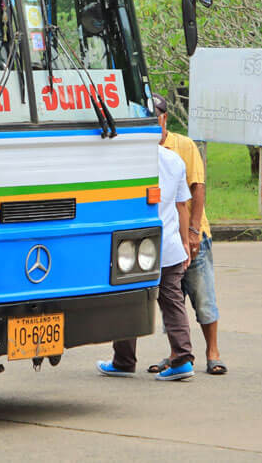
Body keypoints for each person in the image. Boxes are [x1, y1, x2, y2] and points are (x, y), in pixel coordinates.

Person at [96, 144, 196, 381]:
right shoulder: (174, 160)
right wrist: (184, 242)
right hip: (168, 244)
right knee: (172, 302)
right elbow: (181, 206)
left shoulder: (125, 157)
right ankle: (182, 358)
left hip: (133, 247)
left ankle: (123, 361)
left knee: (127, 300)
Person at [148, 93, 227, 376]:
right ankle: (177, 354)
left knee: (202, 296)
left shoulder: (183, 145)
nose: (151, 121)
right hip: (160, 238)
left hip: (191, 234)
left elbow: (197, 188)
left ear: (164, 117)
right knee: (171, 299)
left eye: (155, 115)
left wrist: (193, 233)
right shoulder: (139, 148)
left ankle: (212, 352)